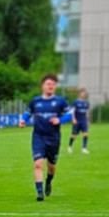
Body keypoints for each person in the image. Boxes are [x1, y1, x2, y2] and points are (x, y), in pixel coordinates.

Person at [19, 73, 71, 201]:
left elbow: (70, 114)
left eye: (53, 84)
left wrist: (60, 119)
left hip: (53, 137)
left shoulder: (60, 101)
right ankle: (39, 192)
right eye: (48, 84)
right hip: (38, 136)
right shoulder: (35, 101)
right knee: (38, 163)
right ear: (42, 86)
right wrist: (23, 120)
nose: (51, 86)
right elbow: (27, 113)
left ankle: (49, 180)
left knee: (51, 166)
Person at [68, 88, 91, 154]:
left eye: (84, 93)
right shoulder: (75, 102)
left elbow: (87, 112)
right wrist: (73, 119)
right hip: (77, 121)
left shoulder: (86, 103)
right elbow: (72, 111)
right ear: (79, 94)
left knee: (85, 134)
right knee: (74, 135)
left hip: (83, 121)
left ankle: (84, 148)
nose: (84, 94)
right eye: (82, 93)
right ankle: (70, 146)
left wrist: (87, 121)